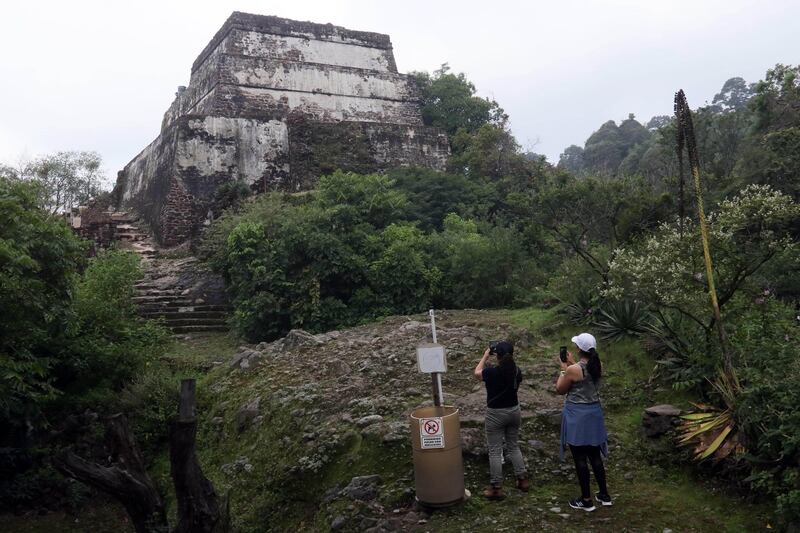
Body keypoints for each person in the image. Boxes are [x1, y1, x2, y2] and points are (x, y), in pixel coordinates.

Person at [555, 332, 611, 512]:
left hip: (577, 416)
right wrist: (571, 364)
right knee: (594, 455)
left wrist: (564, 368)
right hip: (594, 413)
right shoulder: (598, 365)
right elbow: (584, 375)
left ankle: (586, 500)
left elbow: (560, 389)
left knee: (580, 457)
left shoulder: (573, 370)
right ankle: (604, 495)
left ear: (579, 349)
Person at [474, 340, 529, 500]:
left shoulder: (491, 372)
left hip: (495, 414)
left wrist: (484, 357)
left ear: (496, 355)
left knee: (495, 450)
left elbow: (477, 372)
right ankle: (522, 479)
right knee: (513, 446)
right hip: (514, 411)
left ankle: (496, 487)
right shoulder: (517, 372)